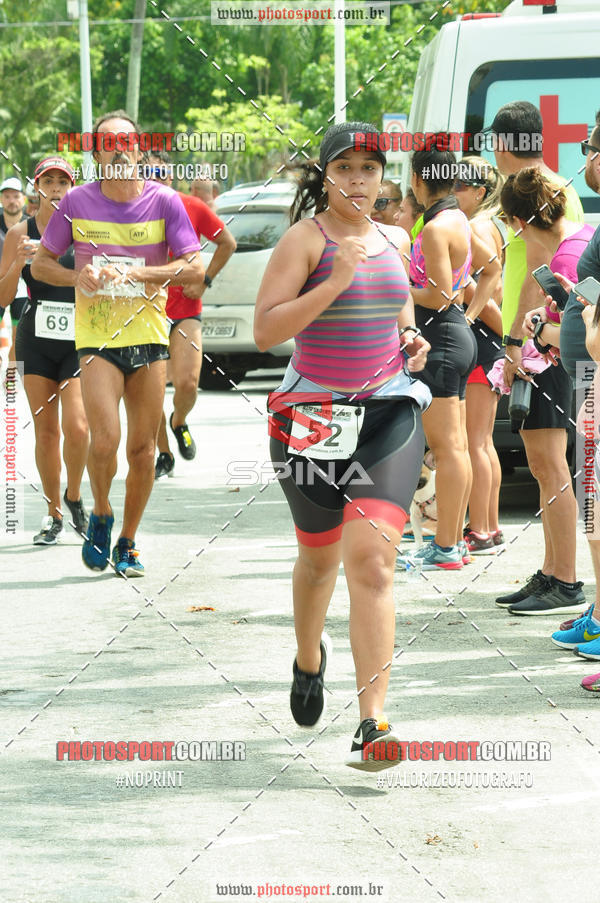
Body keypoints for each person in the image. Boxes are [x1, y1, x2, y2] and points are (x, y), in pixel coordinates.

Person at [254, 121, 432, 770]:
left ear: (383, 176)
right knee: (319, 561)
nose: (358, 179)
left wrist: (411, 341)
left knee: (373, 562)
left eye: (369, 168)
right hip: (312, 416)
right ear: (325, 175)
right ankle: (309, 659)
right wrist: (331, 283)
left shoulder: (395, 236)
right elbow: (267, 327)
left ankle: (372, 719)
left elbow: (400, 317)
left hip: (388, 411)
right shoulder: (305, 240)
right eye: (345, 168)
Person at [31, 110, 203, 577]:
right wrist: (76, 276)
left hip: (149, 335)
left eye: (127, 141)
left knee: (143, 449)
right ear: (97, 154)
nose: (120, 149)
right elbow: (41, 265)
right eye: (109, 143)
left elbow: (194, 267)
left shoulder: (165, 201)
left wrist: (141, 272)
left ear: (139, 148)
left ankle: (128, 541)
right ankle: (102, 513)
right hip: (96, 339)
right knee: (104, 440)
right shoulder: (77, 203)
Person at [487, 101, 586, 614]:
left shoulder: (539, 194)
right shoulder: (550, 186)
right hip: (532, 342)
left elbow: (541, 276)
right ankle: (552, 571)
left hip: (540, 346)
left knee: (550, 465)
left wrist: (518, 343)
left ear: (505, 143)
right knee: (544, 463)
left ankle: (565, 579)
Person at [402, 144, 501, 571]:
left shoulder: (434, 228)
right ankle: (452, 544)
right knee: (456, 445)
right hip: (456, 336)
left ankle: (445, 547)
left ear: (418, 181)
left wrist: (396, 291)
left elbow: (441, 296)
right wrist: (471, 311)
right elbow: (490, 267)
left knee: (448, 448)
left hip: (440, 338)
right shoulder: (457, 218)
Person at [0, 157, 89, 544]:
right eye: (48, 181)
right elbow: (3, 298)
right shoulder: (19, 232)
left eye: (62, 181)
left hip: (78, 339)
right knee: (47, 432)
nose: (55, 188)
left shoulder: (85, 229)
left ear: (72, 187)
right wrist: (16, 263)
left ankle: (74, 494)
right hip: (35, 339)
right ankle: (53, 513)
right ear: (36, 187)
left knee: (79, 426)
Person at [145, 151, 236, 478]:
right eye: (150, 174)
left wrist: (205, 280)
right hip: (145, 313)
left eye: (162, 174)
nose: (157, 180)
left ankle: (179, 420)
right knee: (152, 391)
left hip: (185, 310)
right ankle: (164, 454)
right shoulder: (128, 213)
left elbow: (227, 243)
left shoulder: (191, 206)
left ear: (171, 177)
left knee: (187, 383)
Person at [454, 155, 506, 554]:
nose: (451, 192)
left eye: (458, 186)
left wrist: (470, 311)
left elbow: (493, 288)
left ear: (479, 192)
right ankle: (488, 525)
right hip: (490, 345)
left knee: (475, 442)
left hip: (483, 343)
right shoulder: (490, 223)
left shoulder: (473, 227)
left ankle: (482, 529)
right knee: (483, 441)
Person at [0, 176, 28, 363]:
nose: (12, 201)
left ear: (23, 199)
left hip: (24, 286)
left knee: (19, 342)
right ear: (1, 199)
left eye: (16, 196)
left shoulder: (32, 225)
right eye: (7, 196)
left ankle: (10, 383)